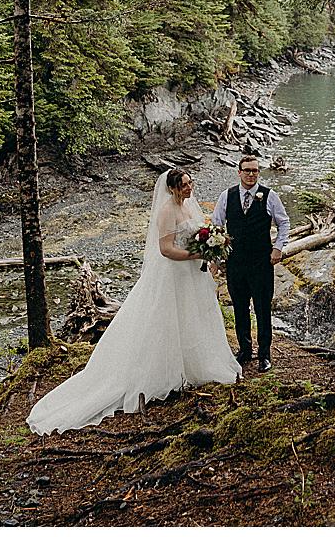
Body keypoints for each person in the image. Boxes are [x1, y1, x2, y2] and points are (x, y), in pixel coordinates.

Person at [27, 168, 239, 433]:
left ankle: (195, 365)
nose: (189, 188)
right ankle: (162, 371)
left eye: (190, 183)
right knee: (165, 320)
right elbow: (166, 249)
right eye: (184, 185)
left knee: (193, 317)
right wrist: (196, 255)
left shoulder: (188, 207)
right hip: (173, 275)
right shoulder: (166, 212)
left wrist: (209, 249)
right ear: (172, 188)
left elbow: (200, 233)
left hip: (191, 276)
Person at [211, 154, 290, 373]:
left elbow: (284, 223)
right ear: (239, 172)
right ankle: (245, 350)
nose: (251, 174)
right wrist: (216, 260)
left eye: (255, 170)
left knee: (263, 309)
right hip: (235, 263)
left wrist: (278, 247)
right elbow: (216, 227)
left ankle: (264, 354)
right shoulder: (227, 196)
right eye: (247, 170)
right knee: (240, 308)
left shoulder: (269, 196)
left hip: (261, 263)